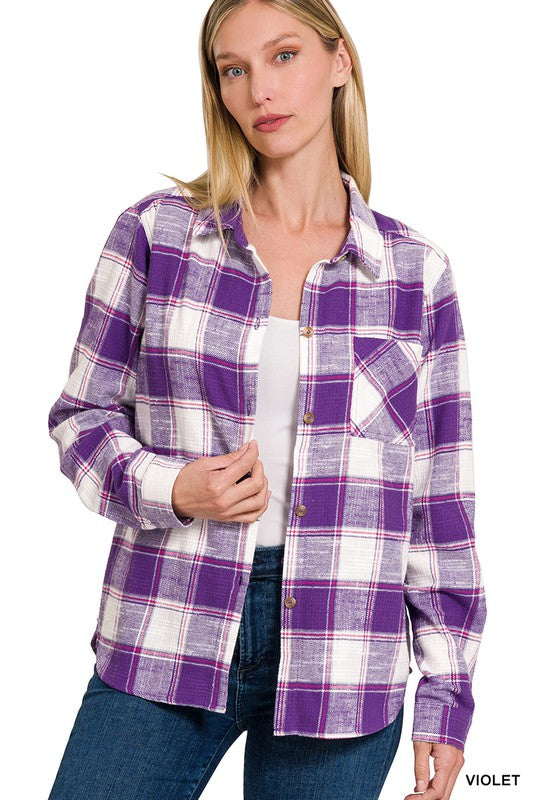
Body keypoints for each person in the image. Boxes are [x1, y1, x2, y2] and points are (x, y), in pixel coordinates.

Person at [46, 1, 487, 799]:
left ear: (338, 61)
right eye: (233, 69)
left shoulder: (414, 272)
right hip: (165, 624)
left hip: (344, 656)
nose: (259, 91)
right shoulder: (156, 236)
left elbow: (438, 501)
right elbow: (81, 417)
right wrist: (172, 487)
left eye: (284, 56)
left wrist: (446, 695)